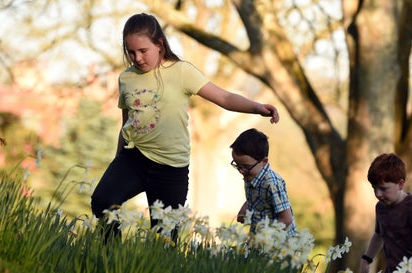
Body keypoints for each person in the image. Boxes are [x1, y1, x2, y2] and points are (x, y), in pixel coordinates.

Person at [91, 13, 279, 241]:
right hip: (134, 158)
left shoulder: (181, 72)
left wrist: (257, 107)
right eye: (131, 52)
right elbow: (126, 123)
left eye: (143, 51)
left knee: (164, 238)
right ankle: (111, 257)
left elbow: (224, 97)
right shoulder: (126, 79)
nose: (137, 58)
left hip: (171, 169)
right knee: (102, 200)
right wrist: (117, 161)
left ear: (159, 44)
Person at [359, 153, 412, 273]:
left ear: (400, 184)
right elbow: (379, 235)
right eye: (375, 188)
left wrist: (408, 272)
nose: (378, 194)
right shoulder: (380, 207)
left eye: (383, 189)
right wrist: (366, 260)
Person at [230, 128, 297, 237]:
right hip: (258, 236)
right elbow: (254, 198)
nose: (241, 171)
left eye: (246, 166)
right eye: (237, 165)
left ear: (264, 162)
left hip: (279, 241)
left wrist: (266, 236)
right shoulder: (250, 175)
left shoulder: (272, 183)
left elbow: (286, 218)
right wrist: (244, 209)